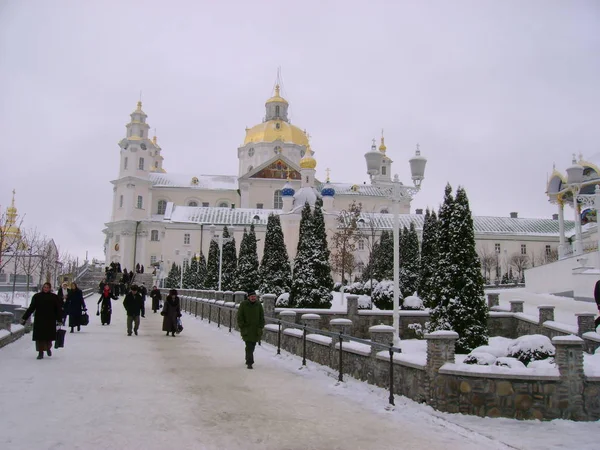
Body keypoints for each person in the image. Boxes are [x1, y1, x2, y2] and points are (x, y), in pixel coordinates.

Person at [21, 282, 61, 360]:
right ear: (42, 288)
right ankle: (40, 352)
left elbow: (58, 309)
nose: (46, 289)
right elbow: (31, 308)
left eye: (47, 287)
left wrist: (59, 319)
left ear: (50, 288)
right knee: (39, 338)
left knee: (48, 337)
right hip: (40, 319)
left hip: (50, 319)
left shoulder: (54, 297)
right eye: (44, 287)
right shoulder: (37, 296)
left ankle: (48, 348)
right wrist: (24, 318)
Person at [236, 291, 265, 369]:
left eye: (254, 296)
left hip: (256, 330)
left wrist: (261, 326)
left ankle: (247, 357)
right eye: (252, 296)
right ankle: (250, 362)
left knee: (252, 345)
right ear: (248, 297)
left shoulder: (258, 305)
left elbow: (261, 316)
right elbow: (240, 316)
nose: (253, 298)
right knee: (249, 345)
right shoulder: (243, 304)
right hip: (247, 329)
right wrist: (242, 325)